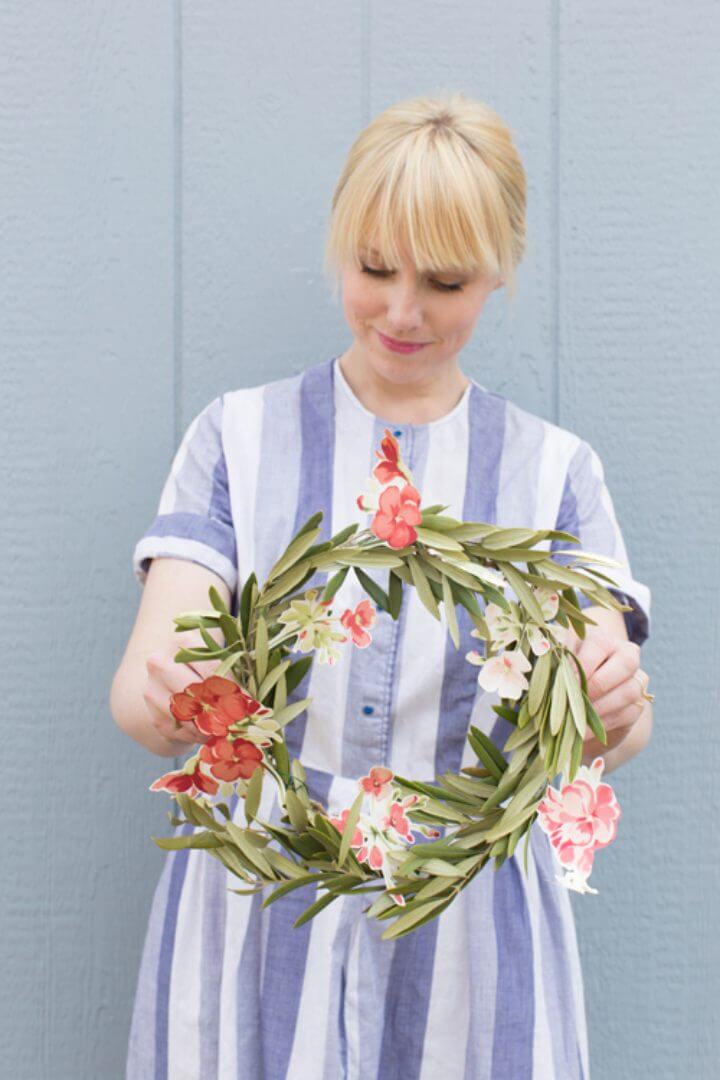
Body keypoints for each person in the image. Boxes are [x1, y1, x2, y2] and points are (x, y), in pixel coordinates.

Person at [111, 91, 652, 1080]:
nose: (401, 311)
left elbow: (608, 706)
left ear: (498, 274)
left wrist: (609, 696)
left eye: (443, 282)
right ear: (341, 247)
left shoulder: (552, 474)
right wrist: (168, 693)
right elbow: (155, 676)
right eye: (373, 269)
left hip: (470, 938)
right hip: (260, 921)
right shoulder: (238, 439)